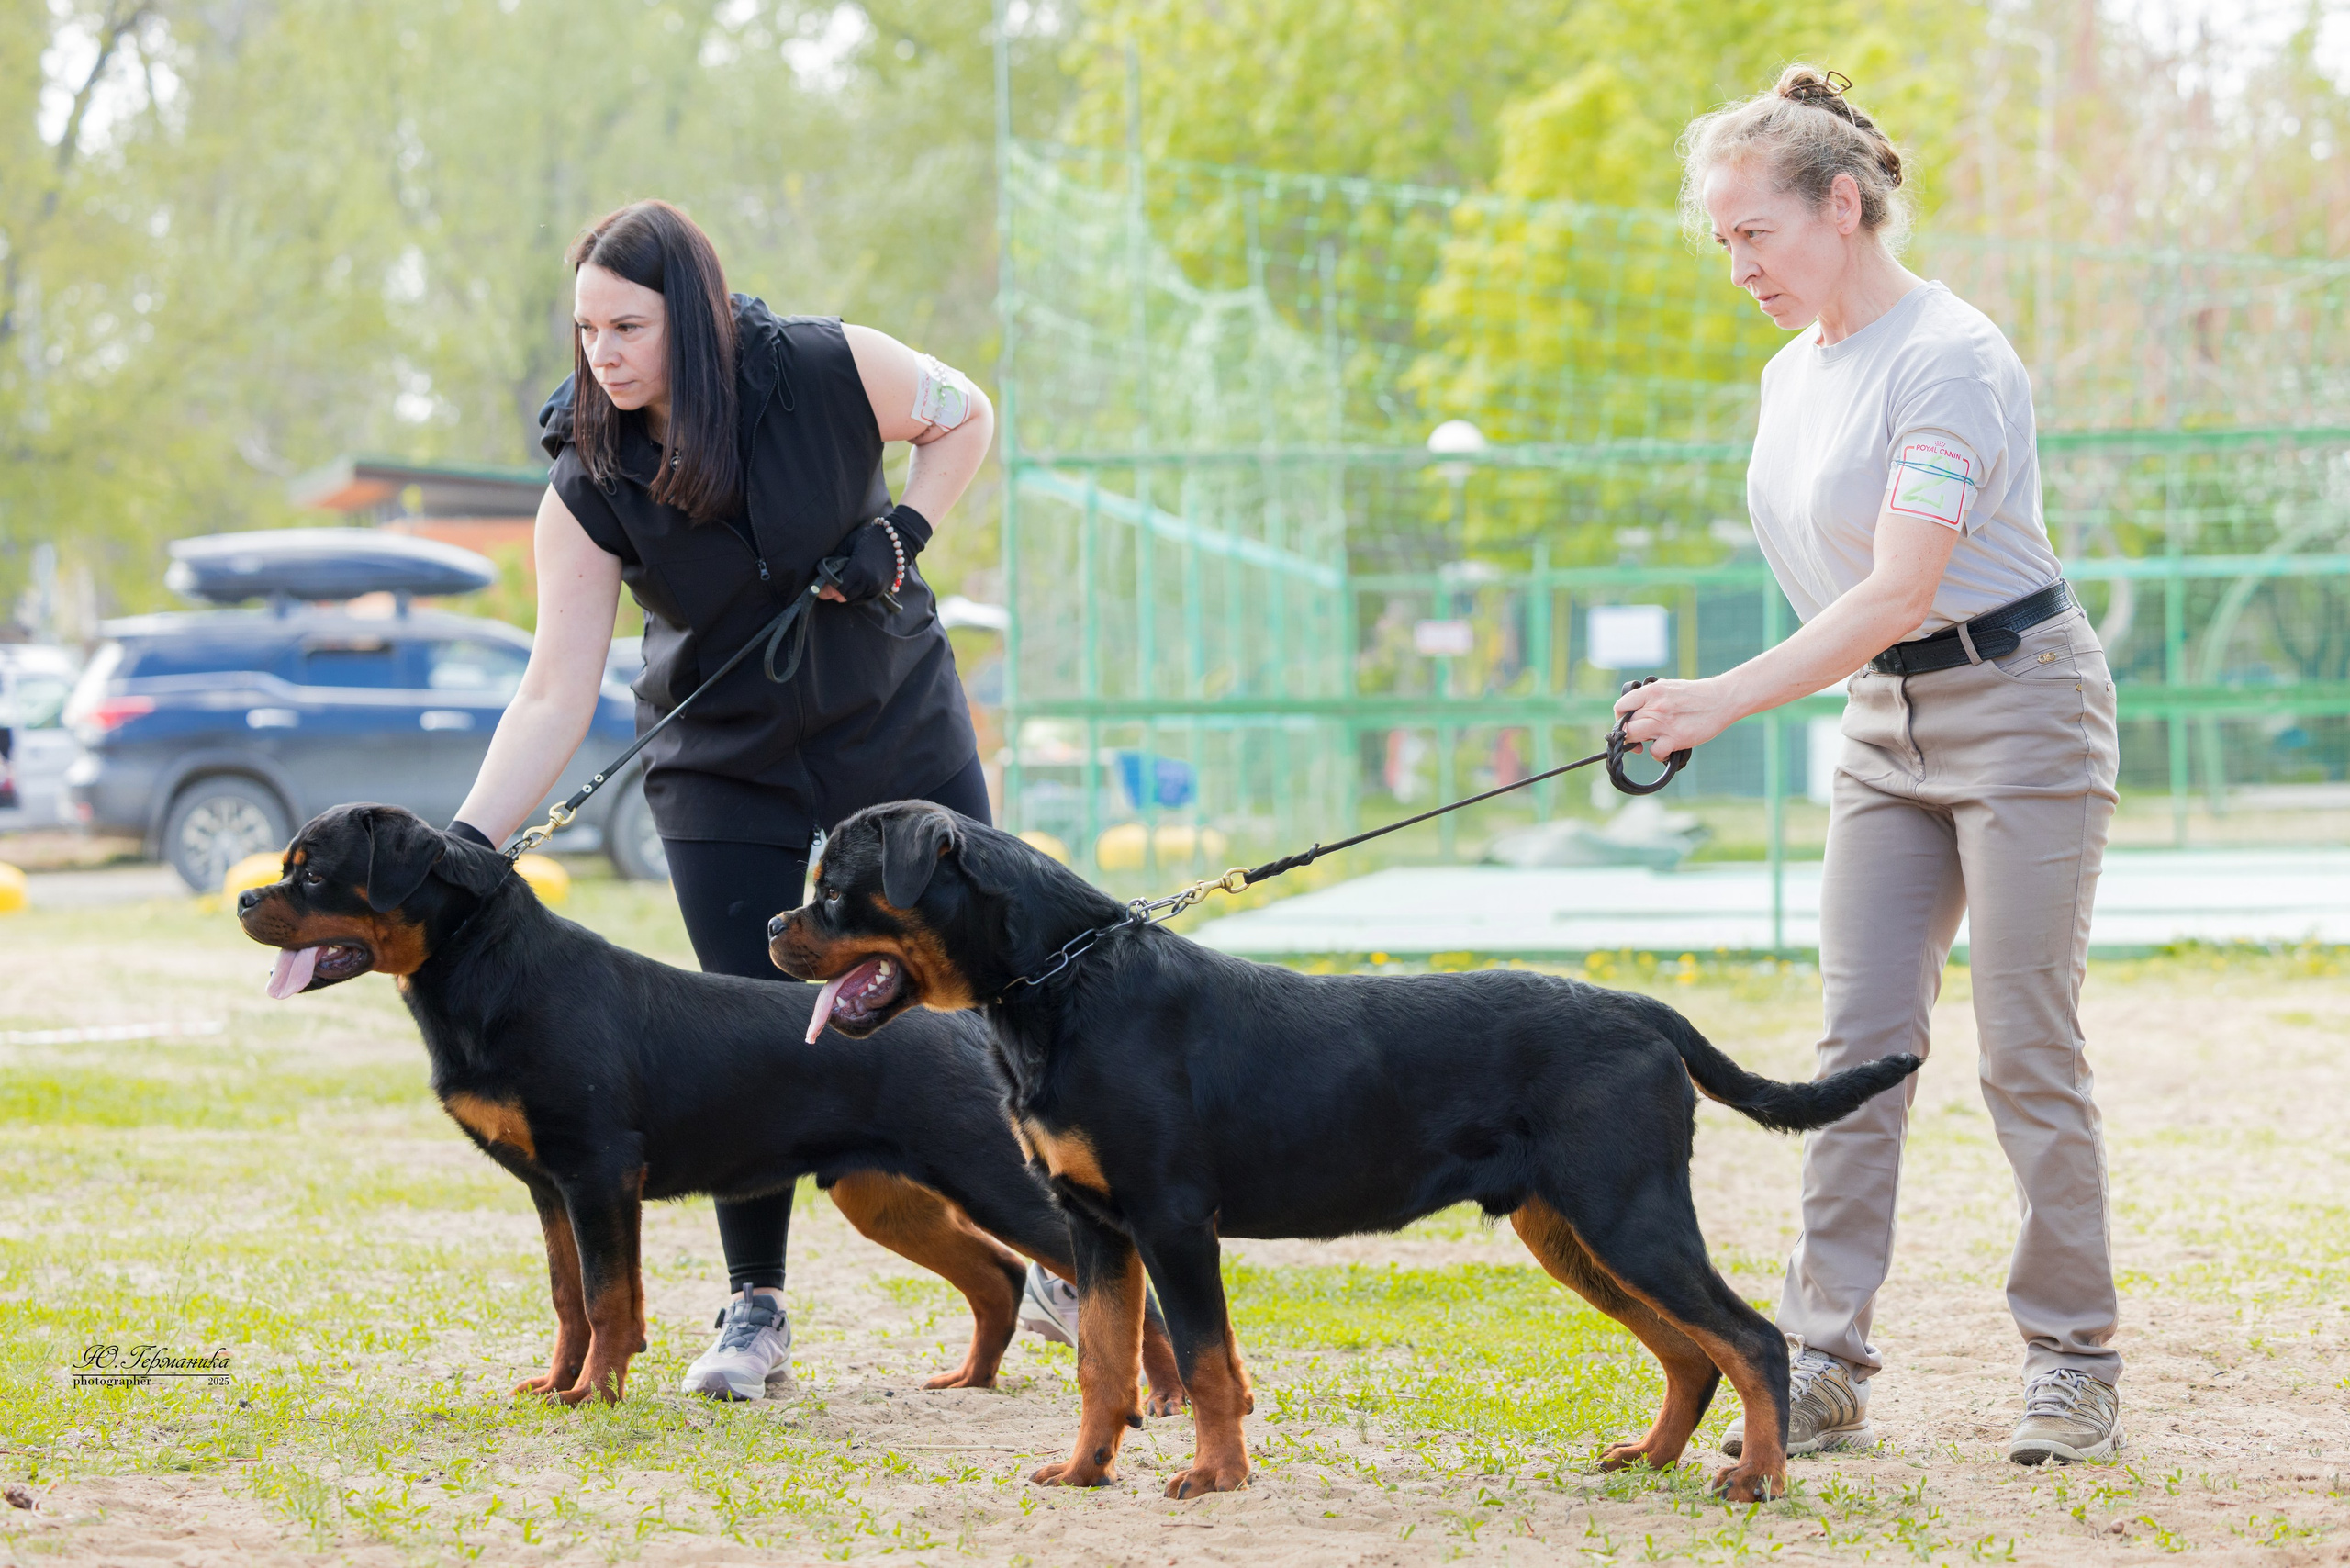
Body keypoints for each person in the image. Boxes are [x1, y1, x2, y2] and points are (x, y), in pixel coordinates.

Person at [1614, 67, 2123, 1467]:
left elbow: (1902, 587)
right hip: (1884, 730)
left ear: (1843, 207)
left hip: (2024, 706)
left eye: (1754, 234)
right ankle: (1822, 1359)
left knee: (2026, 1048)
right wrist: (1742, 695)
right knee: (1858, 1053)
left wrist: (1721, 697)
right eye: (1722, 241)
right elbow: (1857, 612)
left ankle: (2075, 1362)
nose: (1738, 268)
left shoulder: (1952, 357)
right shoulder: (1792, 373)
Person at [450, 198, 1008, 1401]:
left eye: (628, 326)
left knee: (1000, 983)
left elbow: (968, 419)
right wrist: (465, 844)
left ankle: (1072, 1254)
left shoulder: (830, 364)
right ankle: (755, 1311)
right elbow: (554, 687)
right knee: (755, 1033)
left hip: (894, 720)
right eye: (587, 326)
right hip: (723, 759)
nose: (602, 352)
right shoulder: (588, 477)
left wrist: (905, 528)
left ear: (693, 319)